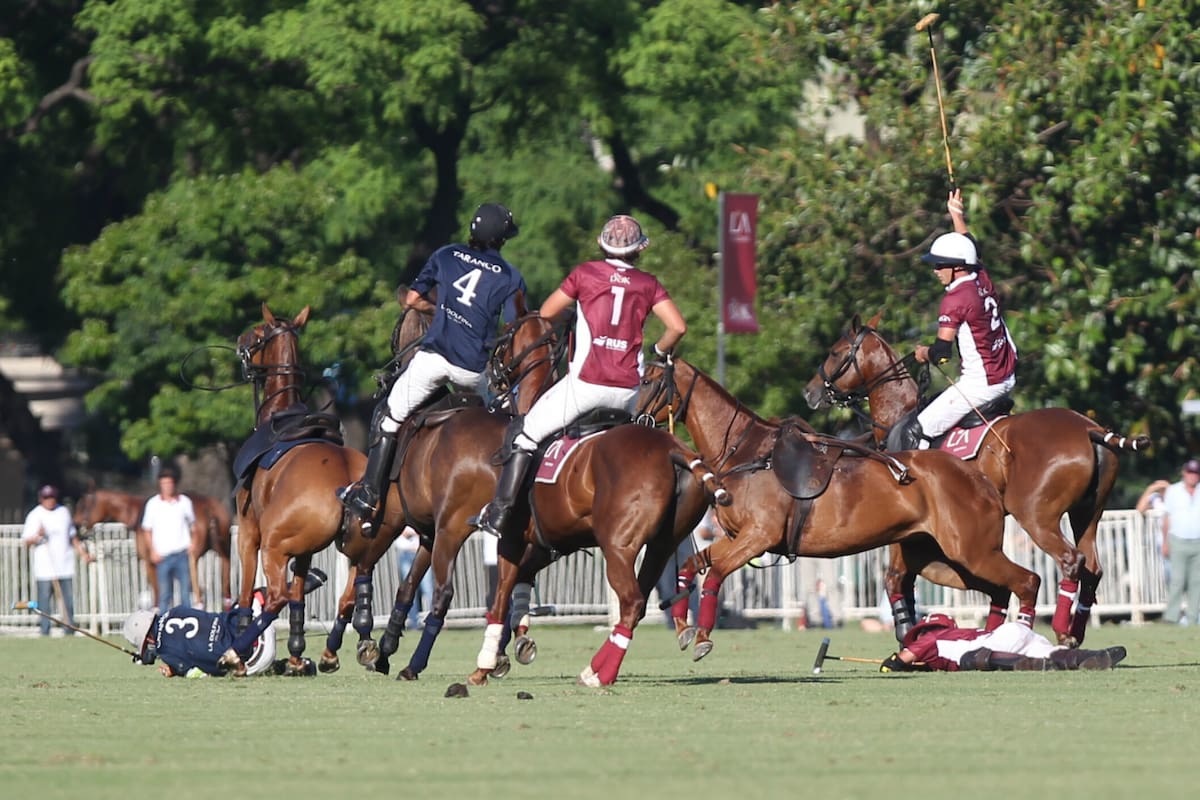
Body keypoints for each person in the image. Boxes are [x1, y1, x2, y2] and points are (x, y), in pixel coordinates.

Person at [474, 214, 687, 538]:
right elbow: (678, 327)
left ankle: (500, 513)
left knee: (525, 435)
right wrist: (660, 348)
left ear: (603, 246)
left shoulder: (586, 274)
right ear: (638, 250)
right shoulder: (648, 284)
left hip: (586, 385)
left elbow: (545, 313)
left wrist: (579, 310)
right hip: (628, 393)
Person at [338, 203, 526, 535]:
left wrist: (440, 308)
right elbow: (515, 325)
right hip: (473, 372)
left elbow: (411, 299)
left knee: (389, 416)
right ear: (502, 240)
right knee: (514, 424)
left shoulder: (446, 255)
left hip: (434, 360)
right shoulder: (510, 276)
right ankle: (513, 502)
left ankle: (368, 495)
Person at [903, 189, 1018, 449]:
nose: (935, 271)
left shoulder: (954, 300)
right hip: (1007, 373)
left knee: (918, 432)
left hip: (982, 384)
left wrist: (923, 353)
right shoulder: (981, 276)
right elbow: (970, 244)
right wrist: (957, 214)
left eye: (939, 265)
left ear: (956, 267)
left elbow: (943, 354)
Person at [121, 568, 327, 677]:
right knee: (253, 597)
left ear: (147, 638)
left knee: (247, 604)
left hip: (249, 663)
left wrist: (173, 669)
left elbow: (196, 673)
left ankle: (289, 667)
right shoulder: (176, 611)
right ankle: (303, 582)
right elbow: (187, 639)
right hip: (253, 641)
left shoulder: (166, 653)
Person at [880, 613, 1127, 672]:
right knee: (1057, 653)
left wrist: (890, 664)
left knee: (970, 659)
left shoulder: (930, 638)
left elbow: (898, 663)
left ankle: (1036, 664)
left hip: (997, 646)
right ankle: (1093, 657)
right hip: (1016, 631)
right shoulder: (958, 632)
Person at [21, 485, 94, 636]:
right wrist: (38, 536)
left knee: (67, 601)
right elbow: (26, 542)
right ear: (41, 499)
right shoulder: (35, 515)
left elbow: (72, 537)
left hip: (65, 565)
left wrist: (83, 554)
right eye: (46, 498)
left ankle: (69, 629)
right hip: (44, 567)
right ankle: (45, 630)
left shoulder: (63, 512)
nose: (50, 501)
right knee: (44, 602)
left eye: (52, 497)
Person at [1137, 459, 1200, 626]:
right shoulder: (1174, 491)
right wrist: (1166, 542)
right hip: (1178, 539)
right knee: (1177, 580)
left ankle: (1193, 618)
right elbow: (1167, 518)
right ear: (1184, 473)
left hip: (1197, 540)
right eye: (1190, 472)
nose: (1193, 476)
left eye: (1196, 473)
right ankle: (1171, 617)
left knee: (1196, 582)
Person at [139, 466, 198, 614]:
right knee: (164, 595)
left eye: (170, 483)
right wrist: (152, 550)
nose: (167, 487)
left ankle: (188, 622)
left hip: (181, 554)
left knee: (186, 592)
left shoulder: (184, 502)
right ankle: (163, 626)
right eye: (164, 483)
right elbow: (146, 529)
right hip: (163, 556)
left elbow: (193, 525)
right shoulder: (153, 504)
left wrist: (194, 543)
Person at [395, 526, 433, 629]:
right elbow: (400, 534)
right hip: (406, 554)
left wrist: (411, 533)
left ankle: (435, 619)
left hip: (421, 553)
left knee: (428, 588)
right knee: (410, 590)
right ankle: (414, 623)